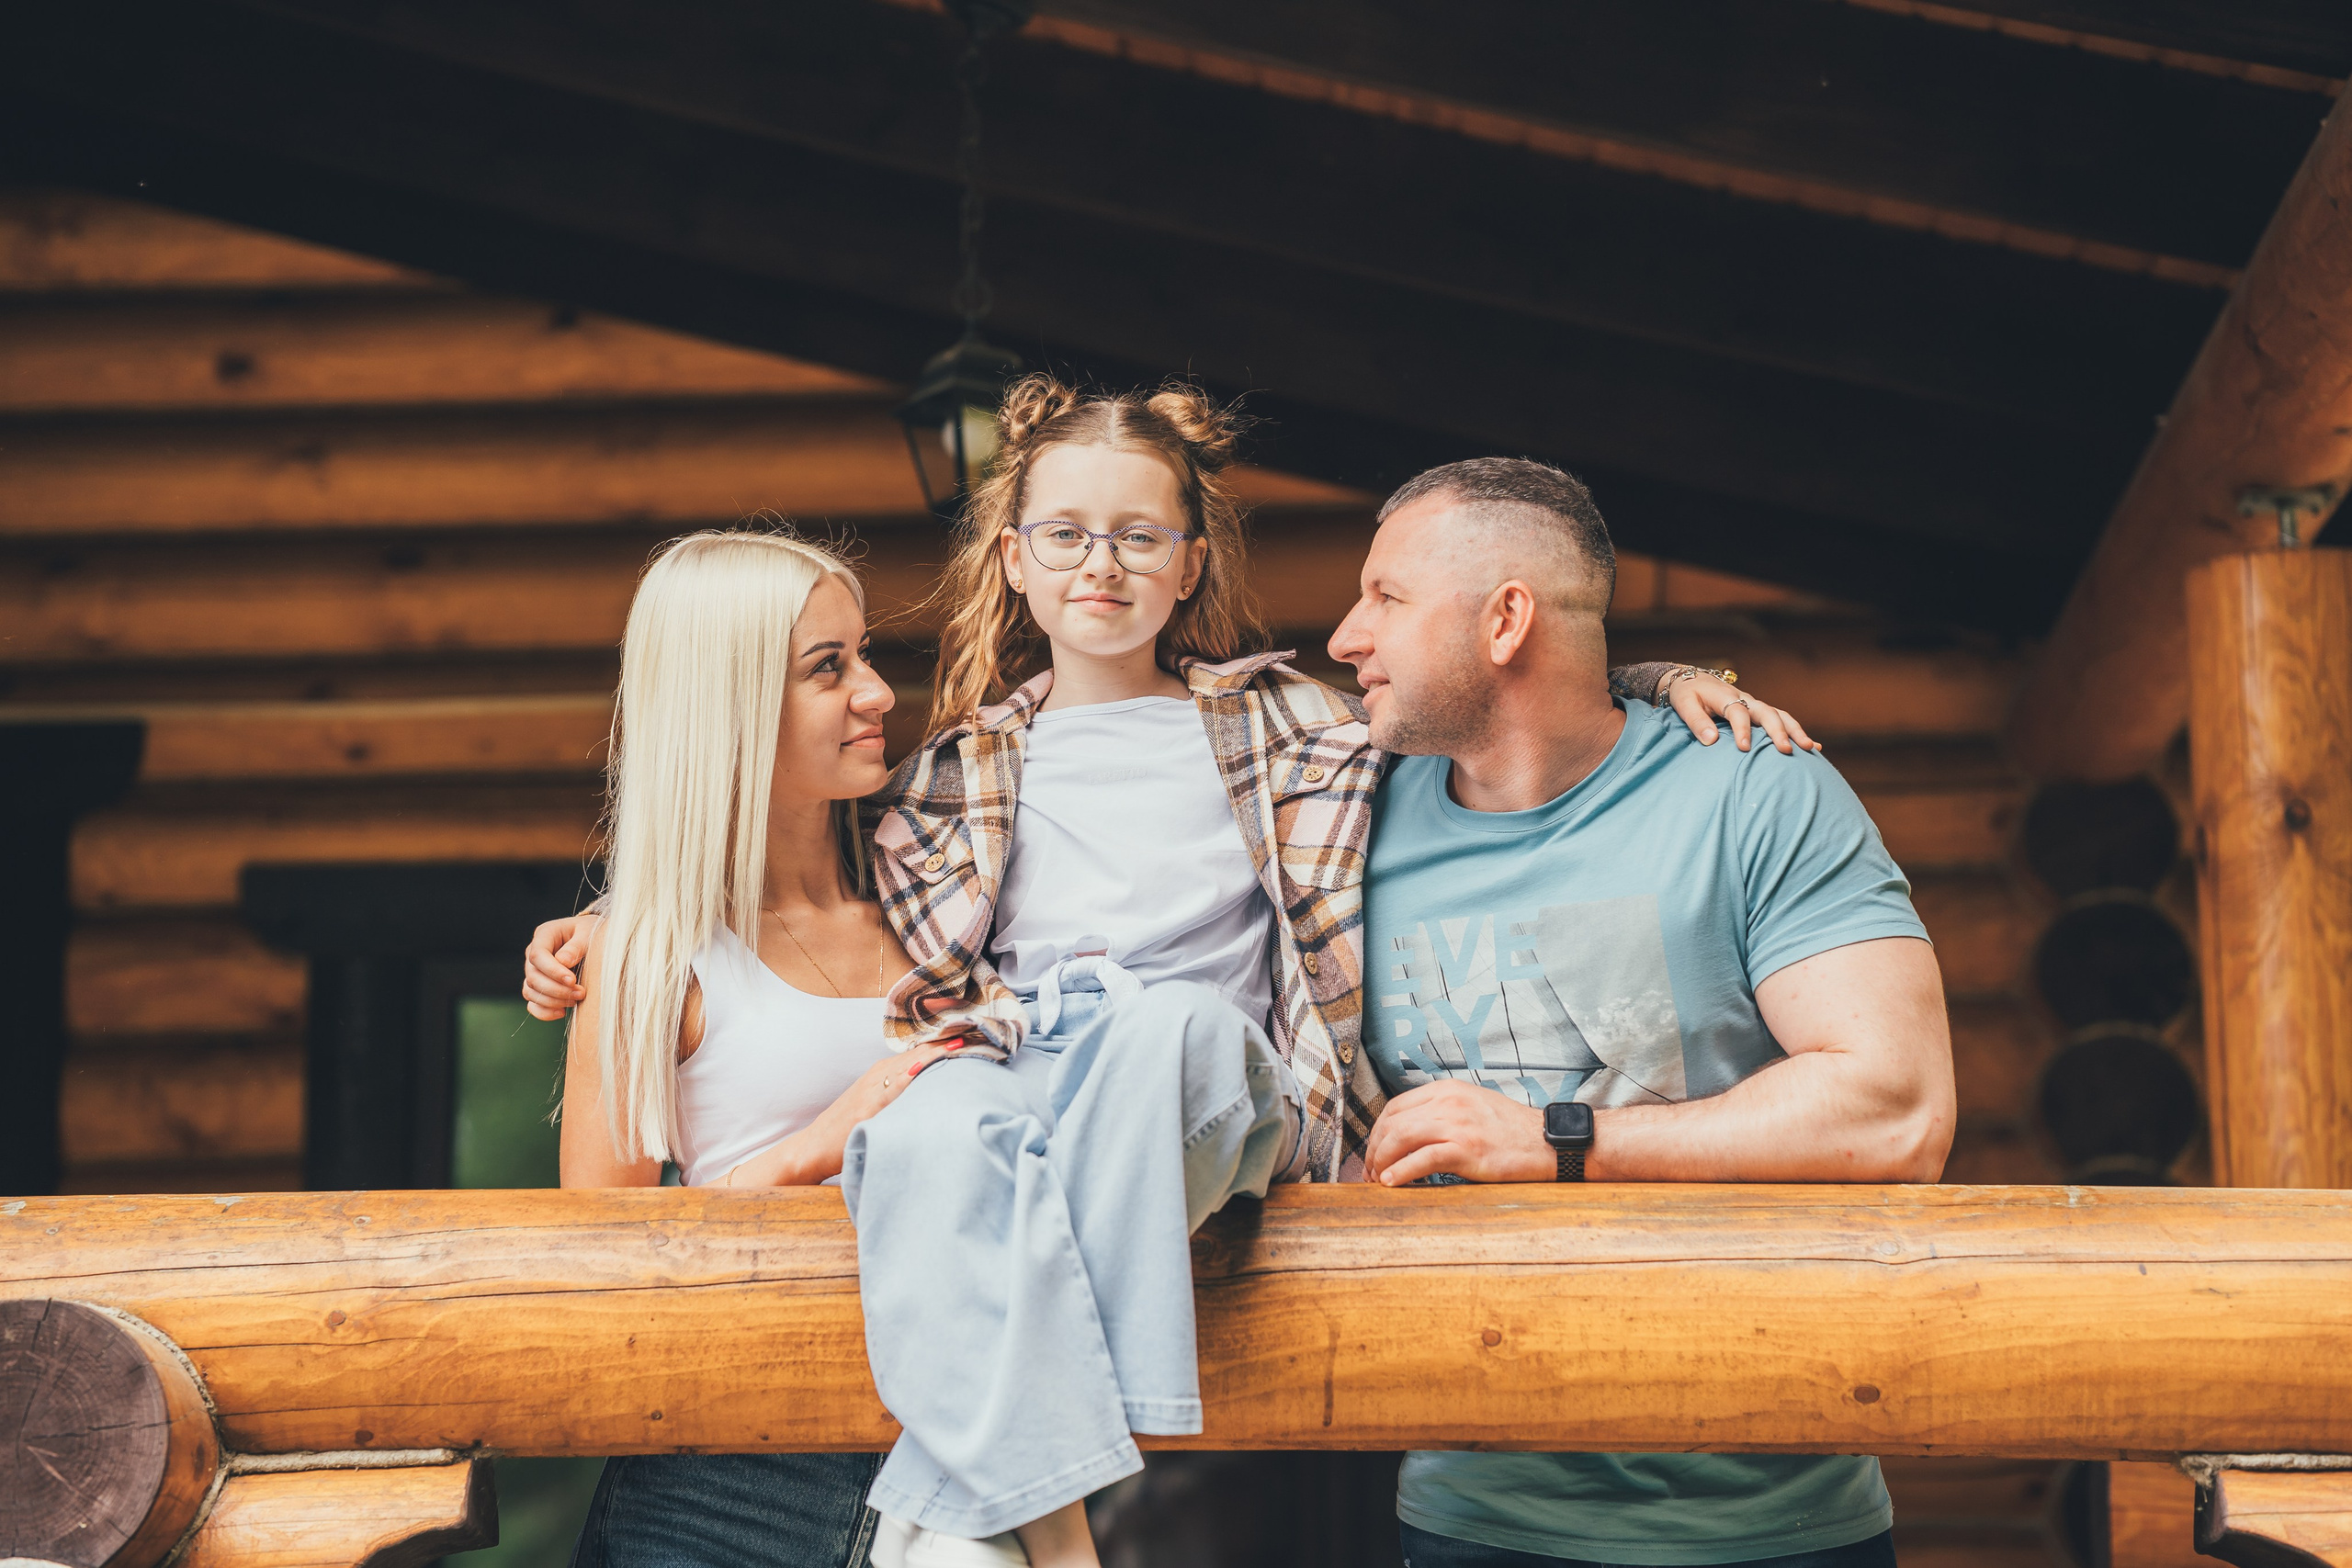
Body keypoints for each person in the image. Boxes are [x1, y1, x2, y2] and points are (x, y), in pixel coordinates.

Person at [524, 381, 1800, 1568]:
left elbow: (1466, 697)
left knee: (1156, 1028)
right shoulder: (938, 798)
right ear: (1014, 558)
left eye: (1140, 536)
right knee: (939, 1118)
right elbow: (734, 979)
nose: (872, 693)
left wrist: (1654, 679)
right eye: (1065, 534)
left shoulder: (1276, 731)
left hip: (1176, 1118)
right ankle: (1059, 1520)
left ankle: (1041, 1469)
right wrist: (624, 937)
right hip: (810, 1364)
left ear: (1191, 561)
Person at [1333, 458, 1956, 1568]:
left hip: (1771, 1516)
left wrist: (1560, 1140)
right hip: (1472, 1513)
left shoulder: (1754, 786)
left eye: (1386, 598)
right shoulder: (1337, 809)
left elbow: (1895, 1106)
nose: (1344, 636)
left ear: (1505, 618)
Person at [548, 529, 959, 1568]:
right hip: (718, 1475)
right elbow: (599, 1270)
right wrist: (808, 1151)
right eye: (828, 668)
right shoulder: (649, 956)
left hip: (949, 1450)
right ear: (727, 704)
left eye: (864, 656)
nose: (875, 693)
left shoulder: (946, 909)